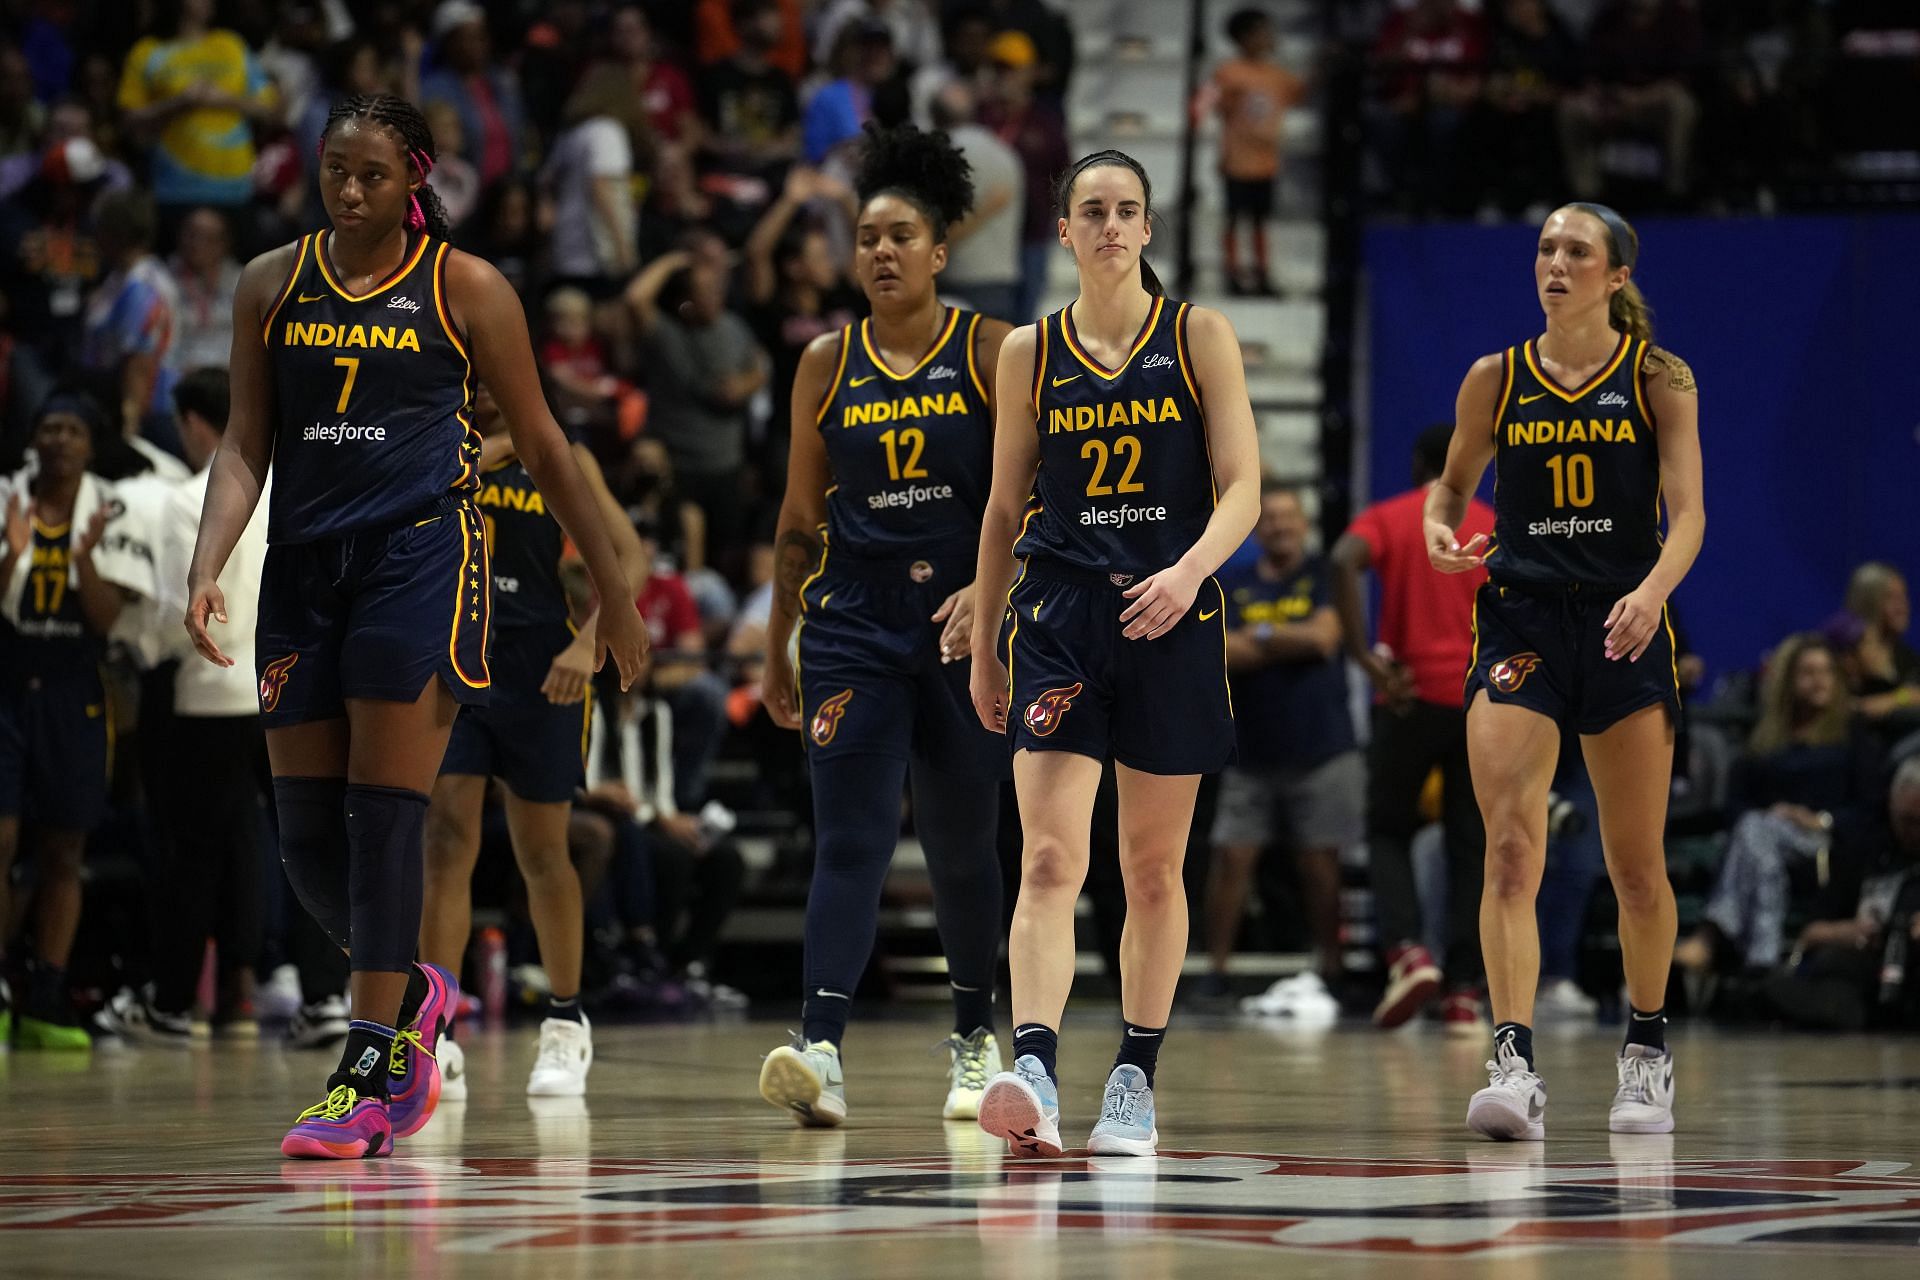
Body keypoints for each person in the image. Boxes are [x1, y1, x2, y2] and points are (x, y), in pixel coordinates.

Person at [183, 93, 647, 1160]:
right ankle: (421, 990)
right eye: (334, 170)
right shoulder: (271, 282)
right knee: (304, 836)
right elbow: (247, 442)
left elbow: (541, 440)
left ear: (414, 182)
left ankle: (370, 1068)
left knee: (384, 814)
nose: (349, 191)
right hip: (302, 567)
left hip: (420, 558)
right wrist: (209, 563)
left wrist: (612, 594)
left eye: (372, 175)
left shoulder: (466, 286)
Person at [969, 150, 1260, 1157]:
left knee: (1149, 867)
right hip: (1057, 615)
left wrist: (1187, 574)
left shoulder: (1198, 334)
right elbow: (1005, 505)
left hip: (1170, 612)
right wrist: (984, 642)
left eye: (1125, 210)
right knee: (1047, 855)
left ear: (1147, 228)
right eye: (1089, 210)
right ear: (1063, 230)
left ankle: (1135, 1073)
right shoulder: (1027, 351)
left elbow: (1243, 488)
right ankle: (1037, 1066)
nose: (1108, 226)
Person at [1426, 203, 1703, 1140]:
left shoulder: (1658, 378)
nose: (1554, 262)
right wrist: (1438, 527)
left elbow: (1691, 513)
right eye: (1545, 247)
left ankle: (1646, 1053)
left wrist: (1655, 591)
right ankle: (1512, 1063)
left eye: (1576, 251)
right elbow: (1454, 487)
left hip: (1624, 622)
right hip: (1521, 621)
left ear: (1616, 276)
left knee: (1635, 868)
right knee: (1509, 848)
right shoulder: (1495, 377)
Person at [757, 121, 1014, 1128]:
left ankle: (971, 1036)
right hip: (852, 622)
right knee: (851, 840)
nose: (882, 251)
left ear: (942, 250)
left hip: (960, 623)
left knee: (961, 845)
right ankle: (819, 1046)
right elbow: (794, 520)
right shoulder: (825, 361)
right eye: (867, 236)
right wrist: (780, 638)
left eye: (902, 234)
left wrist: (993, 595)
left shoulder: (994, 349)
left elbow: (1038, 495)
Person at [420, 381, 647, 1101]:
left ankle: (565, 1022)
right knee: (446, 842)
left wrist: (588, 642)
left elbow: (631, 558)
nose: (485, 387)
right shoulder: (438, 447)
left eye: (496, 376)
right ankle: (435, 1031)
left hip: (542, 666)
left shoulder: (562, 455)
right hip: (454, 658)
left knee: (543, 851)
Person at [0, 392, 157, 1050]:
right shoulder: (7, 497)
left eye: (72, 430)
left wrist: (83, 559)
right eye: (48, 428)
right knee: (3, 842)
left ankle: (46, 991)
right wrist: (12, 552)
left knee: (66, 848)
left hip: (76, 685)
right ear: (32, 440)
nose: (59, 439)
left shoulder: (111, 509)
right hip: (8, 681)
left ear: (90, 447)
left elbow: (104, 619)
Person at [1330, 423, 1492, 1031]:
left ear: (1418, 462)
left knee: (1389, 828)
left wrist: (1366, 659)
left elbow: (1343, 561)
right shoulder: (1488, 522)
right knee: (1469, 845)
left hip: (1406, 698)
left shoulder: (1396, 516)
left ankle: (1406, 952)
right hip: (1477, 702)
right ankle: (1464, 993)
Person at [1203, 483, 1362, 1015]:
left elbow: (1324, 639)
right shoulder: (1233, 580)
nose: (1278, 527)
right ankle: (1216, 972)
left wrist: (1261, 634)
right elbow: (1220, 653)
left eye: (1288, 518)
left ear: (1305, 526)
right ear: (1256, 528)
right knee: (1231, 860)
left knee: (1321, 867)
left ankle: (1333, 969)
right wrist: (1285, 639)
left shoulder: (1323, 575)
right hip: (1249, 752)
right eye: (1268, 520)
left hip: (1321, 749)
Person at [1674, 633, 1884, 975]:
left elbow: (1870, 806)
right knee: (1758, 836)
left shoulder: (1850, 735)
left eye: (1826, 671)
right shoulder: (1766, 738)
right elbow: (1734, 805)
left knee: (1754, 833)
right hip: (1767, 847)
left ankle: (1713, 937)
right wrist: (1772, 815)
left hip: (1824, 850)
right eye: (1808, 672)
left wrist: (1821, 820)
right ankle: (1763, 962)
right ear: (1788, 680)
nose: (1819, 680)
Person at [1206, 7, 1305, 296]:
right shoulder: (1228, 73)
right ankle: (1232, 272)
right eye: (1262, 32)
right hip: (1237, 159)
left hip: (1266, 161)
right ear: (1244, 38)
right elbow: (1213, 103)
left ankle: (1262, 273)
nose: (1268, 38)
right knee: (1235, 217)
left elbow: (1298, 93)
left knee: (1261, 220)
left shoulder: (1277, 75)